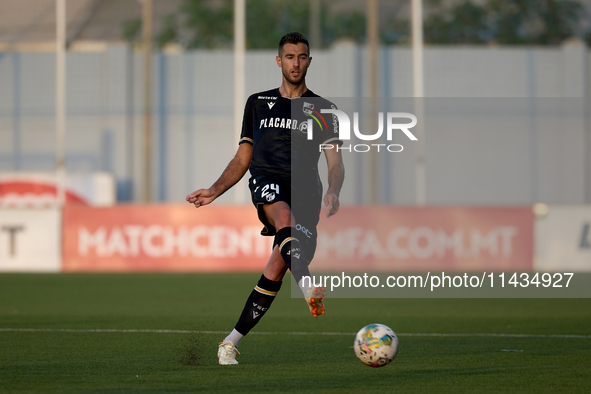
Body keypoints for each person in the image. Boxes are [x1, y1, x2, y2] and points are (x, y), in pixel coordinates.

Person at [186, 32, 345, 365]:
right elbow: (243, 158)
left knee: (275, 268)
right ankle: (307, 283)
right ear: (279, 61)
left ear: (309, 61)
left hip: (308, 191)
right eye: (290, 57)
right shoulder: (258, 103)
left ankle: (229, 343)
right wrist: (215, 190)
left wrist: (333, 190)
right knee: (283, 216)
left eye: (302, 57)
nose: (296, 63)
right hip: (268, 180)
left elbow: (335, 162)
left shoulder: (323, 109)